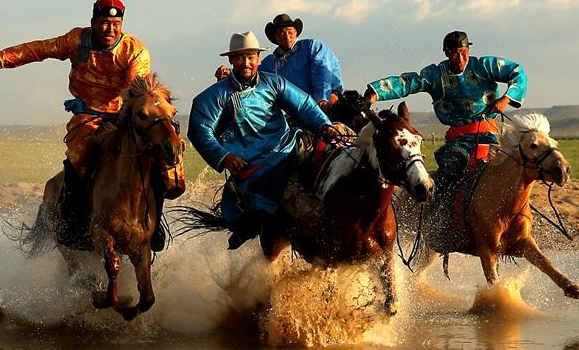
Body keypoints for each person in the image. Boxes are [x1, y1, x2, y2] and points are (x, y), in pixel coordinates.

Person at [0, 0, 185, 251]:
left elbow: (134, 93)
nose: (110, 29)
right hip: (87, 119)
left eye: (115, 24)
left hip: (126, 118)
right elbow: (41, 49)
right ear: (94, 21)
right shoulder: (76, 40)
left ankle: (153, 225)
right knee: (80, 159)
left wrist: (112, 108)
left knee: (160, 158)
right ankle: (72, 222)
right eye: (104, 22)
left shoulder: (135, 51)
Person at [189, 31, 337, 249]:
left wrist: (324, 125)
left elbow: (304, 105)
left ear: (258, 58)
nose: (247, 63)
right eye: (240, 57)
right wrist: (225, 156)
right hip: (256, 165)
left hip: (290, 147)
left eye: (251, 57)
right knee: (304, 211)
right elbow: (200, 130)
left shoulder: (274, 83)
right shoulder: (213, 96)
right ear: (231, 60)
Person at [364, 31, 527, 193]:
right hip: (459, 140)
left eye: (464, 53)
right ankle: (441, 215)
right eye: (455, 54)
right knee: (448, 172)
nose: (461, 59)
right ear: (447, 53)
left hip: (490, 134)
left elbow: (517, 73)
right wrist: (376, 93)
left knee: (507, 169)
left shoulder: (484, 66)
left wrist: (506, 98)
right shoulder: (435, 75)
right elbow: (408, 83)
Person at [214, 14, 343, 109]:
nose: (287, 36)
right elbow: (253, 74)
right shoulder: (271, 62)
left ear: (296, 33)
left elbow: (322, 71)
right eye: (281, 32)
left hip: (327, 102)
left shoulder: (312, 47)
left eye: (290, 32)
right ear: (275, 37)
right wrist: (230, 73)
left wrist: (322, 98)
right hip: (296, 111)